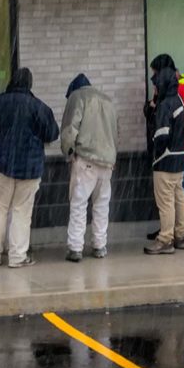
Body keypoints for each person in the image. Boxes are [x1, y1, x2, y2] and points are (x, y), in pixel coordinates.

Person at [0, 66, 57, 267]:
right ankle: (17, 256)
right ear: (29, 84)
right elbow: (52, 133)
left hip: (0, 165)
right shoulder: (38, 107)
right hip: (30, 168)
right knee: (21, 212)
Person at [55, 71, 117, 261]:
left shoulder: (77, 96)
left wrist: (69, 151)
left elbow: (69, 129)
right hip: (107, 161)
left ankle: (75, 248)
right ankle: (99, 245)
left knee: (79, 204)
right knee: (101, 205)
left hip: (86, 158)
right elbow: (115, 132)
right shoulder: (107, 100)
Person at [145, 55, 184, 255]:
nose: (155, 88)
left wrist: (157, 148)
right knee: (179, 196)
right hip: (180, 156)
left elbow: (162, 133)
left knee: (165, 202)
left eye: (156, 84)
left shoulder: (165, 105)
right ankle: (181, 235)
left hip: (164, 160)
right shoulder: (179, 100)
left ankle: (165, 239)